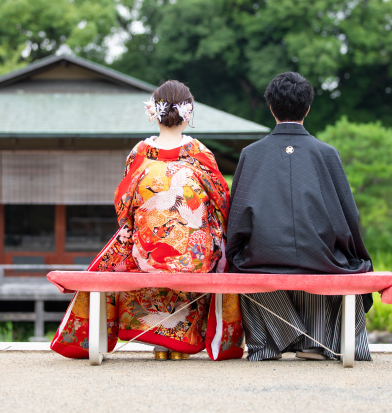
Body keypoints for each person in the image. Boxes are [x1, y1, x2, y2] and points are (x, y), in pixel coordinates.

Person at [51, 80, 244, 361]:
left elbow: (124, 206)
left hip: (148, 256)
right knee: (205, 246)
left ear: (154, 112)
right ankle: (182, 343)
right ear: (188, 114)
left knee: (126, 248)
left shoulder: (139, 155)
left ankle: (152, 337)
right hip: (193, 259)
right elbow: (222, 203)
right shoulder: (201, 155)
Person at [225, 72, 374, 362]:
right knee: (342, 264)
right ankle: (319, 343)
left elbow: (238, 218)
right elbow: (347, 216)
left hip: (261, 261)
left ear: (271, 107)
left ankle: (267, 346)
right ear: (308, 108)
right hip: (321, 259)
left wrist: (234, 254)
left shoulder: (251, 155)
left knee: (244, 267)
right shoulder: (326, 154)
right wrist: (355, 254)